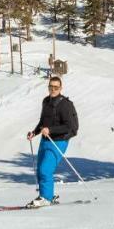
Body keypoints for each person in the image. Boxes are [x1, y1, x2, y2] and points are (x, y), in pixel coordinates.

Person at [24, 75, 78, 208]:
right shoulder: (46, 101)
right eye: (51, 87)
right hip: (45, 140)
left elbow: (69, 126)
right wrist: (34, 132)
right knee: (40, 170)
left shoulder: (66, 105)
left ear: (60, 88)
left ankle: (45, 198)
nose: (53, 89)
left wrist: (51, 130)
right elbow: (43, 122)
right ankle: (48, 195)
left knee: (45, 169)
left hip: (59, 141)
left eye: (56, 87)